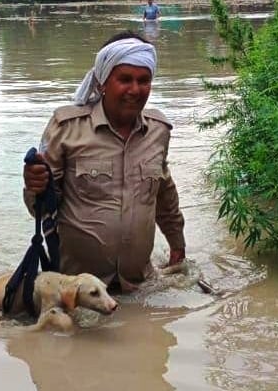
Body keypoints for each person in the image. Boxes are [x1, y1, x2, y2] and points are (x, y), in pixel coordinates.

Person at [23, 31, 186, 292]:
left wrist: (177, 245)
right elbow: (40, 209)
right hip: (75, 290)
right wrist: (34, 186)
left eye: (144, 80)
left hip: (139, 285)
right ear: (102, 82)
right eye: (125, 79)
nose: (135, 89)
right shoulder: (66, 128)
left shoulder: (158, 131)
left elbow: (164, 195)